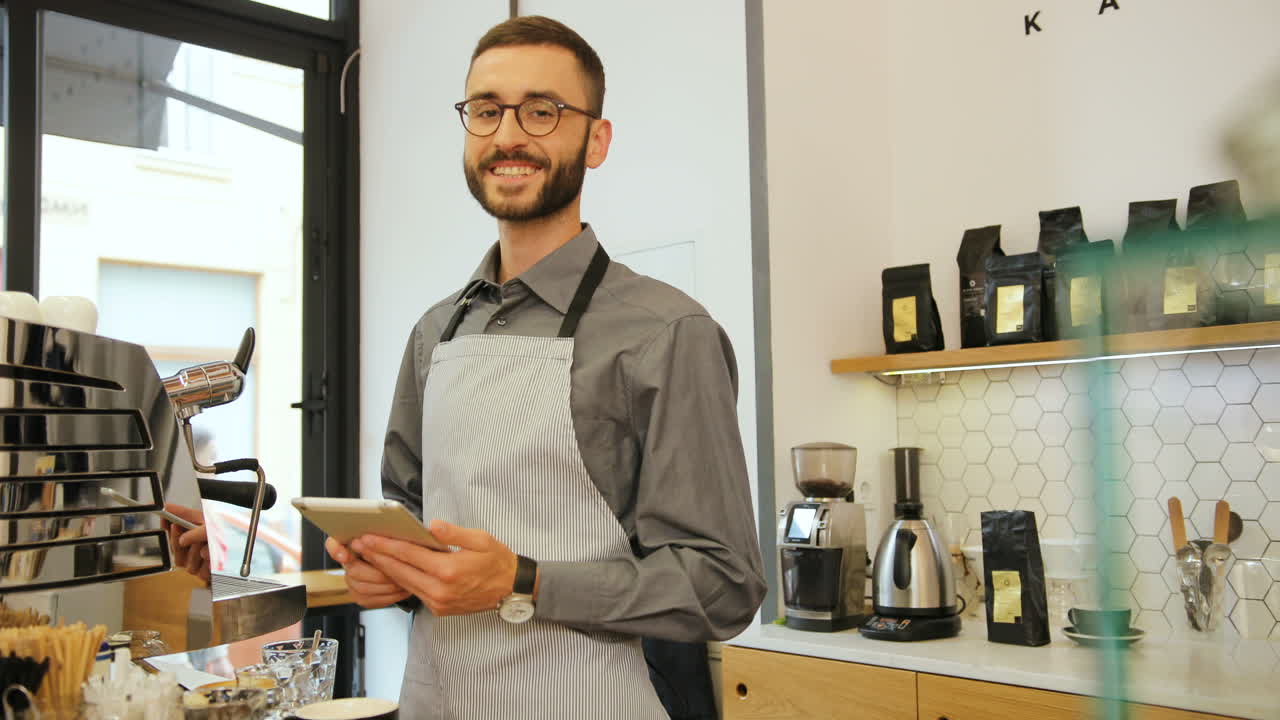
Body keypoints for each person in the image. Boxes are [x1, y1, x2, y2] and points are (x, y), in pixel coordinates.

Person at [324, 15, 765, 719]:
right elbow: (412, 518)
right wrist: (390, 569)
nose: (507, 136)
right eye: (486, 111)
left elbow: (724, 585)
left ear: (596, 140)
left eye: (542, 111)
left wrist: (522, 581)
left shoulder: (665, 333)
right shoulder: (433, 331)